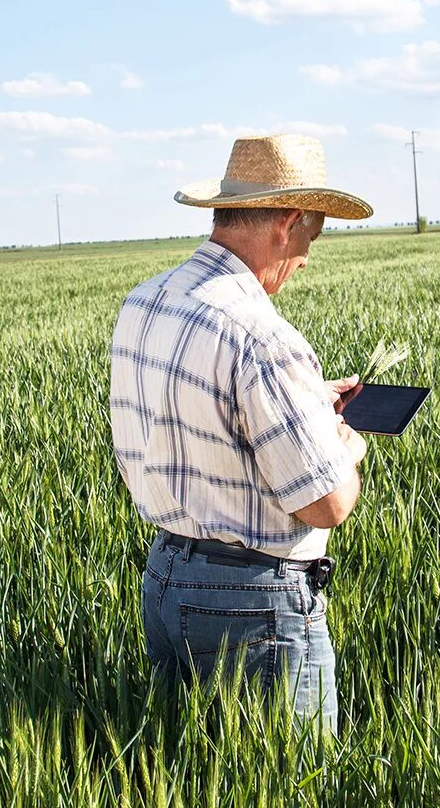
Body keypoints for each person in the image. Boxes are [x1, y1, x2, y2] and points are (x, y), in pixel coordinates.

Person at [109, 133, 375, 734]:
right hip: (253, 607)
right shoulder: (261, 335)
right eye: (316, 231)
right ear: (287, 222)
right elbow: (325, 504)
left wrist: (305, 404)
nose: (310, 254)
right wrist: (342, 445)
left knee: (195, 775)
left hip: (164, 582)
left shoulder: (145, 304)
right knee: (291, 782)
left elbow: (197, 415)